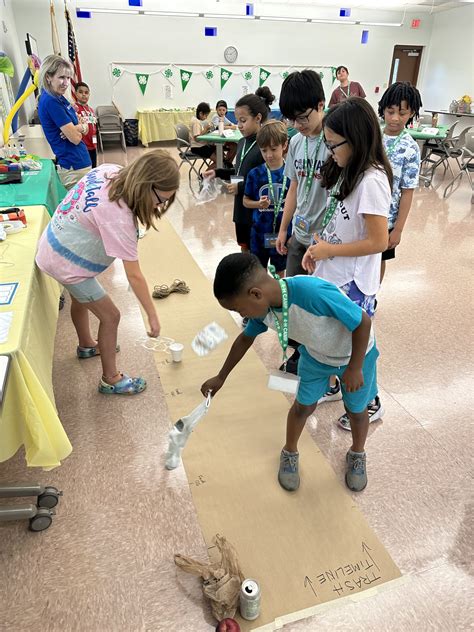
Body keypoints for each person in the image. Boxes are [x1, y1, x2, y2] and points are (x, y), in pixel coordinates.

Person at [201, 253, 377, 493]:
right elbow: (244, 340)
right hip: (316, 357)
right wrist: (221, 376)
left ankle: (357, 453)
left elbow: (362, 322)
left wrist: (355, 367)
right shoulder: (264, 310)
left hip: (356, 354)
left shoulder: (311, 292)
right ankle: (289, 452)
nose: (241, 315)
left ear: (255, 294)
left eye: (238, 309)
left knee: (356, 411)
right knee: (302, 407)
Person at [35, 150, 179, 395]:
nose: (160, 205)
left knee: (81, 298)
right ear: (146, 185)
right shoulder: (119, 217)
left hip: (55, 244)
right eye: (160, 199)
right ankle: (110, 379)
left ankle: (86, 345)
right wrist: (152, 315)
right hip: (65, 262)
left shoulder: (109, 170)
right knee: (111, 316)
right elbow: (134, 275)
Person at [301, 97, 391, 429]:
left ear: (355, 140)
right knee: (334, 338)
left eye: (333, 144)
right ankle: (336, 383)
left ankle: (371, 400)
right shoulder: (351, 170)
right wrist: (319, 247)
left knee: (358, 344)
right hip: (334, 270)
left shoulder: (372, 181)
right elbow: (342, 221)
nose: (330, 151)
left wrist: (331, 252)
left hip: (353, 283)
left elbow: (379, 241)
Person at [275, 70, 329, 373]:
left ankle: (320, 358)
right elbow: (294, 186)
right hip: (300, 234)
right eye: (292, 119)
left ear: (321, 105)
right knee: (294, 298)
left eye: (303, 117)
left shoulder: (335, 140)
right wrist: (284, 228)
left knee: (320, 302)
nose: (298, 125)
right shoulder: (295, 143)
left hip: (326, 241)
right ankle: (299, 353)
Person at [205, 93, 272, 253]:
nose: (239, 125)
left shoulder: (264, 146)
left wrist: (240, 188)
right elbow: (240, 171)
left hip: (257, 210)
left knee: (257, 254)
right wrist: (218, 172)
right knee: (244, 248)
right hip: (240, 210)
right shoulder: (242, 142)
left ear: (258, 118)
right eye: (237, 121)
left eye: (243, 121)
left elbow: (267, 180)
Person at [378, 82, 422, 283]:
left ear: (411, 112)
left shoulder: (410, 148)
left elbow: (407, 192)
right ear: (383, 109)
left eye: (402, 113)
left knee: (378, 260)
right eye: (390, 111)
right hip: (361, 212)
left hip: (386, 218)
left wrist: (398, 229)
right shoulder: (372, 136)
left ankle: (371, 298)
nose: (395, 118)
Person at [243, 120, 291, 276]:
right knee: (260, 272)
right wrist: (258, 204)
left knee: (280, 274)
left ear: (284, 145)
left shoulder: (292, 174)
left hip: (282, 234)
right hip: (259, 233)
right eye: (264, 150)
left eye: (273, 149)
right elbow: (245, 201)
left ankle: (279, 298)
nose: (269, 155)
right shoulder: (255, 174)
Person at [38, 54, 92, 190]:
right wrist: (79, 129)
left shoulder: (59, 98)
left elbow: (82, 124)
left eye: (68, 78)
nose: (66, 83)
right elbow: (75, 138)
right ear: (48, 77)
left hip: (79, 162)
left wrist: (79, 127)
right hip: (73, 166)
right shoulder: (51, 101)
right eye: (61, 77)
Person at [75, 81, 97, 168]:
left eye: (86, 92)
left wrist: (95, 144)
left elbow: (94, 128)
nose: (84, 95)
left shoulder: (91, 110)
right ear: (76, 94)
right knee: (86, 170)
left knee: (93, 168)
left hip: (93, 146)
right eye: (80, 92)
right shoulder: (75, 109)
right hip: (83, 147)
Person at [211, 100, 237, 165]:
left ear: (226, 110)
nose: (222, 112)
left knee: (235, 146)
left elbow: (229, 123)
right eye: (219, 110)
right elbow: (218, 126)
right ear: (216, 110)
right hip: (214, 140)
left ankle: (227, 163)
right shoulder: (215, 116)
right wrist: (231, 127)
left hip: (222, 139)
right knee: (220, 158)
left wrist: (232, 125)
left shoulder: (223, 116)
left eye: (223, 110)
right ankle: (225, 163)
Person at [189, 102, 216, 166]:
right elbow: (197, 138)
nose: (206, 118)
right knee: (219, 161)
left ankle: (222, 167)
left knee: (217, 150)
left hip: (200, 146)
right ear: (201, 113)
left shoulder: (195, 119)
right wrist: (206, 129)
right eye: (206, 115)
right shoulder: (196, 122)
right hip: (198, 147)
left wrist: (207, 130)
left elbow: (199, 134)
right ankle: (204, 176)